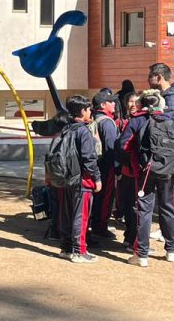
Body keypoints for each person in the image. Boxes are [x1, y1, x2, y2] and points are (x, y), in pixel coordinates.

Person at [128, 93, 174, 266]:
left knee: (144, 211)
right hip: (169, 172)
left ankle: (142, 254)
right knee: (168, 208)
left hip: (145, 172)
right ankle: (171, 250)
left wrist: (136, 164)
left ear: (143, 105)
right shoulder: (170, 122)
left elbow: (124, 145)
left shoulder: (138, 121)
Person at [55, 95, 102, 264]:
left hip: (67, 178)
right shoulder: (84, 131)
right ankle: (79, 251)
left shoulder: (67, 129)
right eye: (89, 110)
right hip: (82, 180)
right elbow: (89, 158)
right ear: (83, 111)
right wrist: (96, 178)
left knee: (67, 214)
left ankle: (66, 248)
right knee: (80, 216)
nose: (90, 112)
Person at [148, 63, 174, 241]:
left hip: (173, 150)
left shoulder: (172, 98)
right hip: (170, 149)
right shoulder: (169, 96)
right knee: (171, 191)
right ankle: (171, 228)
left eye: (150, 76)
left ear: (159, 77)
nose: (148, 80)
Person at [114, 91, 150, 250]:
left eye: (136, 102)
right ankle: (132, 239)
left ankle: (132, 238)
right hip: (129, 169)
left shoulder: (140, 120)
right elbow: (121, 146)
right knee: (131, 205)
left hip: (133, 169)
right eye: (130, 101)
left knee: (133, 205)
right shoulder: (124, 122)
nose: (133, 105)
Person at [88, 88, 120, 240]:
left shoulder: (93, 119)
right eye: (111, 101)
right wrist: (117, 168)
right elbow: (111, 149)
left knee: (96, 197)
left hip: (94, 166)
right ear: (102, 105)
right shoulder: (107, 123)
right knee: (105, 198)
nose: (114, 103)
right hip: (106, 168)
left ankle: (94, 223)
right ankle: (100, 226)